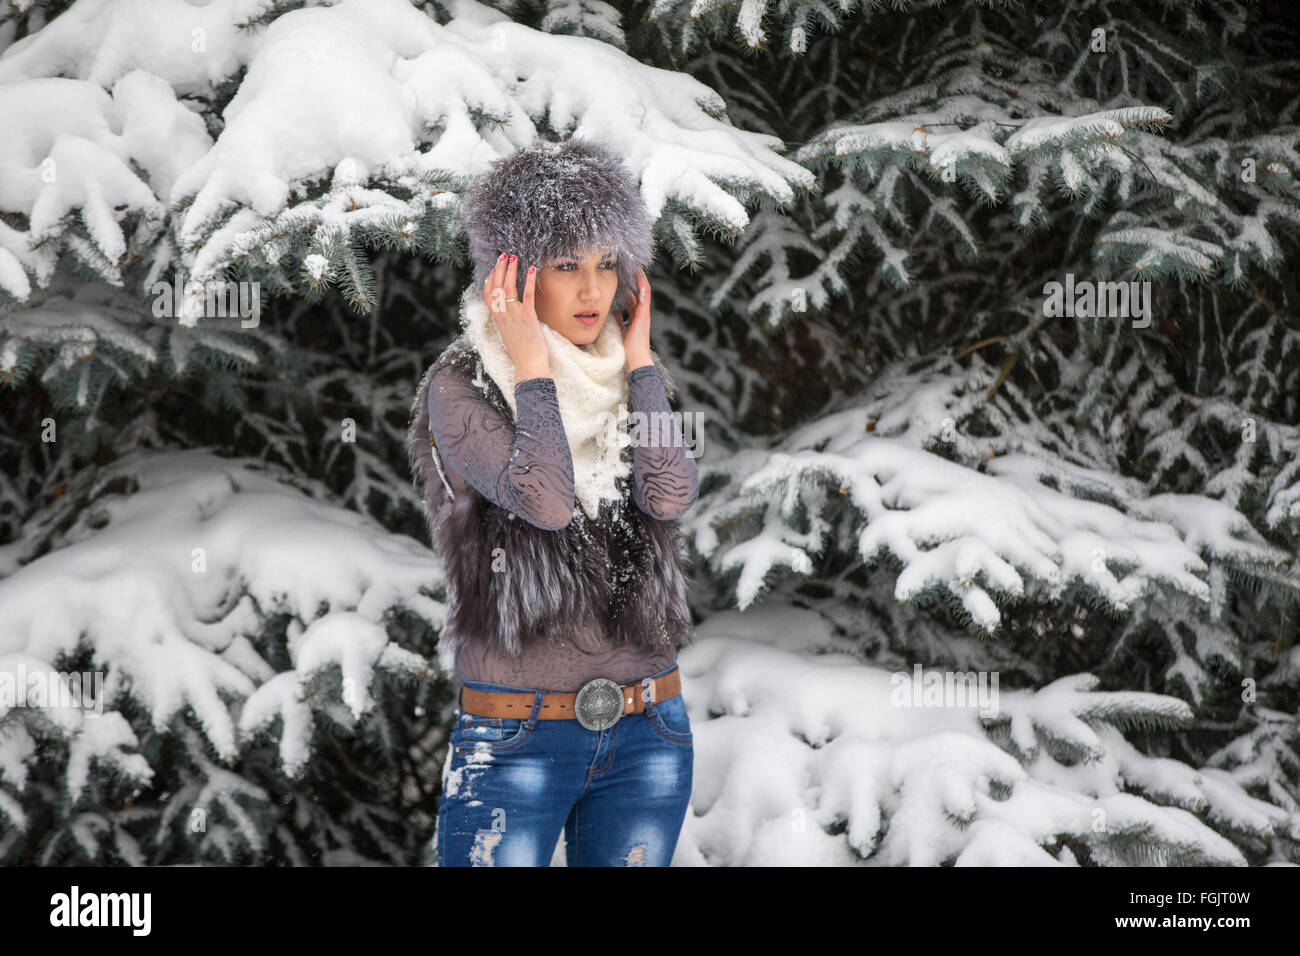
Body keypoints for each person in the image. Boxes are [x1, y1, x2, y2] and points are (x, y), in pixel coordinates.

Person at [406, 138, 700, 866]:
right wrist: (533, 369)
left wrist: (642, 366)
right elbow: (546, 501)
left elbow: (668, 496)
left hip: (648, 727)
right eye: (567, 265)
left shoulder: (630, 379)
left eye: (607, 263)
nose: (593, 290)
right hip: (517, 739)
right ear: (516, 274)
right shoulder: (461, 387)